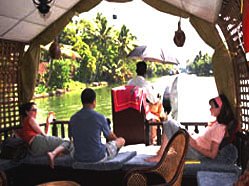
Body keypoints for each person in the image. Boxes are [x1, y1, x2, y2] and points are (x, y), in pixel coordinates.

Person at [145, 94, 237, 162]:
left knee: (169, 122)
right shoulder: (216, 123)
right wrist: (194, 135)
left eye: (212, 107)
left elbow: (213, 154)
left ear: (220, 109)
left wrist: (195, 145)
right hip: (194, 145)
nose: (210, 109)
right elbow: (205, 141)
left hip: (196, 152)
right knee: (171, 123)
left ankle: (161, 155)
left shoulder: (220, 128)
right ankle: (163, 152)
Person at [70, 88, 125, 163]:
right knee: (121, 140)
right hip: (97, 157)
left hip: (79, 157)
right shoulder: (99, 117)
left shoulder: (73, 118)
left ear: (82, 101)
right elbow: (110, 137)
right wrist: (116, 140)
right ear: (94, 101)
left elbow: (71, 137)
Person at [16, 102, 73, 169]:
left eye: (36, 110)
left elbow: (44, 135)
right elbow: (43, 134)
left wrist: (48, 122)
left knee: (63, 147)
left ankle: (54, 154)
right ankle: (53, 154)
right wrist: (48, 121)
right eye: (33, 110)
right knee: (67, 141)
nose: (36, 112)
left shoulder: (25, 122)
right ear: (27, 112)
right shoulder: (30, 119)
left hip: (34, 149)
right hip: (37, 142)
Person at [127, 61, 166, 144]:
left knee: (157, 106)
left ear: (136, 71)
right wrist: (158, 97)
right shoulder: (146, 84)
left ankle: (161, 123)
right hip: (143, 113)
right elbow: (153, 100)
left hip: (132, 110)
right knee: (158, 104)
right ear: (145, 72)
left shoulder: (129, 83)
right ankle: (157, 135)